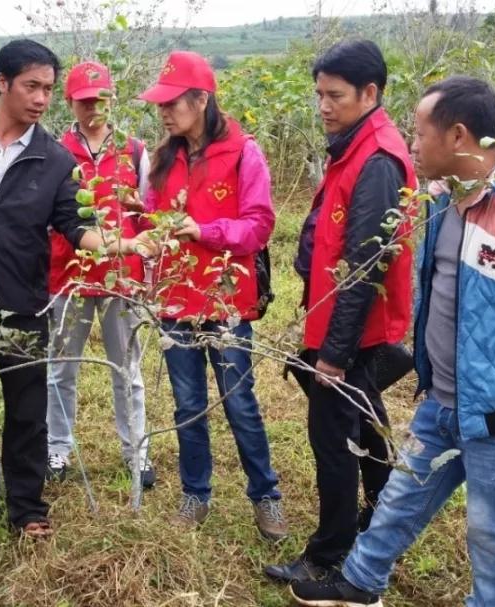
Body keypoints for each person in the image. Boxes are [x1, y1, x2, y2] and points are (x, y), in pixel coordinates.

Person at [289, 76, 495, 606]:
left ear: (458, 136)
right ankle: (360, 584)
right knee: (401, 496)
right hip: (443, 399)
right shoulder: (443, 201)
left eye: (418, 132)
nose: (410, 144)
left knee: (494, 529)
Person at [0, 39, 145, 541]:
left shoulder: (53, 159)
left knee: (27, 413)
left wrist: (127, 244)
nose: (41, 99)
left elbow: (76, 228)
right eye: (31, 86)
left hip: (24, 308)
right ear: (2, 83)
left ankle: (27, 508)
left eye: (48, 90)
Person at [265, 39, 417, 584]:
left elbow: (362, 269)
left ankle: (328, 554)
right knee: (368, 427)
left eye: (335, 96)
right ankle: (384, 521)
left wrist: (332, 355)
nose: (324, 106)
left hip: (350, 328)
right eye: (319, 95)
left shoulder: (376, 160)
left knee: (333, 441)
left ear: (370, 93)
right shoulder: (355, 146)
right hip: (344, 323)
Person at [137, 50, 287, 540]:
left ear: (202, 99)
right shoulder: (164, 158)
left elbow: (258, 226)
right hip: (176, 301)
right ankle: (195, 494)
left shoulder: (244, 152)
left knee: (238, 400)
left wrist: (203, 229)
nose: (163, 112)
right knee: (186, 403)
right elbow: (153, 219)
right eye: (160, 104)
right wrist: (149, 227)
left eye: (172, 102)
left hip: (224, 301)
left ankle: (266, 495)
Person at [45, 60, 155, 488]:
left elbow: (146, 216)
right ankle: (57, 449)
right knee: (62, 368)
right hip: (68, 274)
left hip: (122, 278)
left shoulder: (134, 151)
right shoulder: (54, 152)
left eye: (101, 99)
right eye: (85, 101)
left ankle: (137, 453)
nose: (94, 108)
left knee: (126, 369)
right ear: (70, 102)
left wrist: (147, 268)